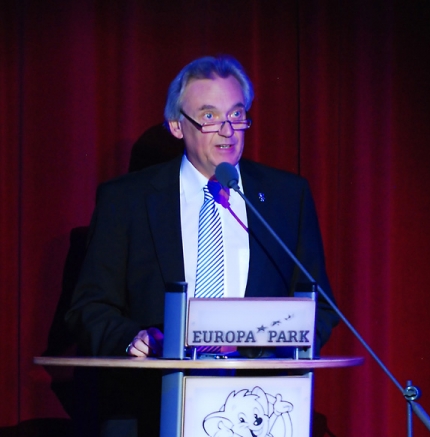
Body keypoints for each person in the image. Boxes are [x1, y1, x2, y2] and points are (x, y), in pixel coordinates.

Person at [66, 55, 338, 359]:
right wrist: (132, 340)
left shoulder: (286, 197)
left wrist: (274, 354)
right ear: (177, 126)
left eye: (236, 114)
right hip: (158, 383)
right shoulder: (126, 200)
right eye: (209, 116)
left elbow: (320, 307)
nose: (227, 131)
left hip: (257, 384)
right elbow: (89, 307)